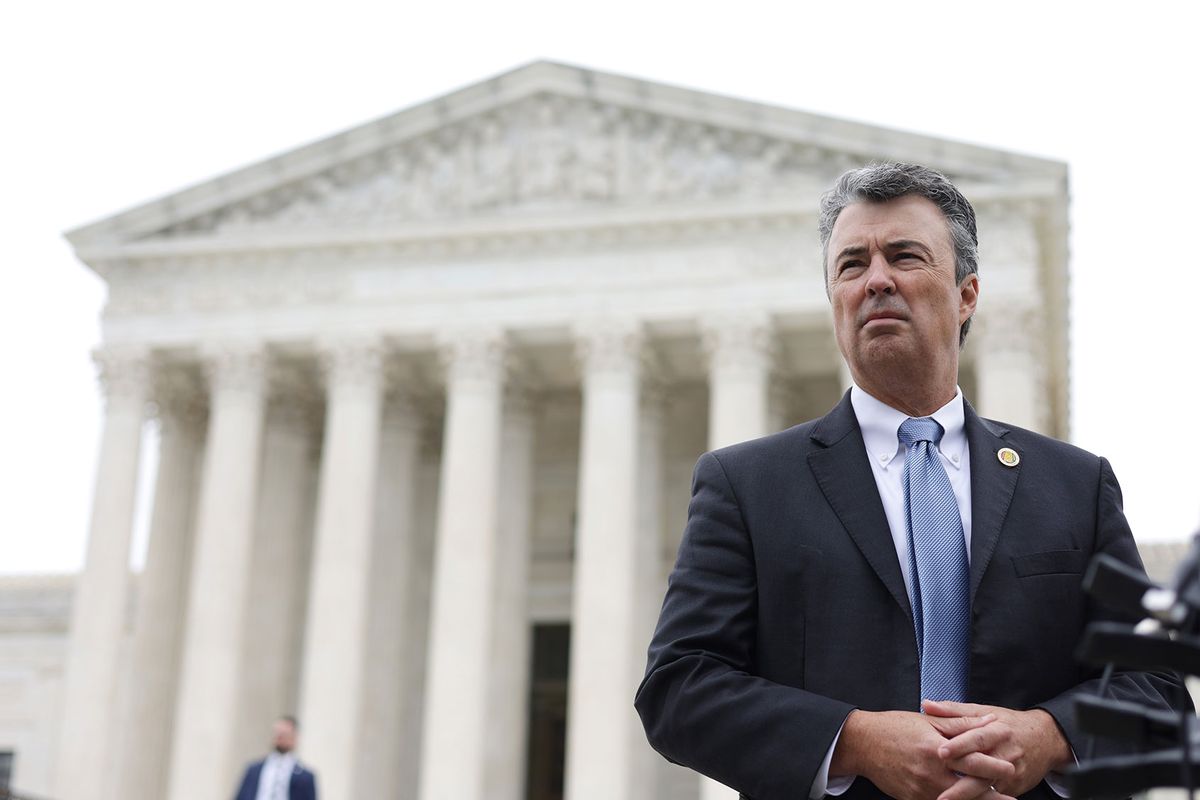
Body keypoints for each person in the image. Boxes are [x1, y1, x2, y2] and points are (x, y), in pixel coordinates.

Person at [634, 163, 1183, 800]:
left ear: (966, 294)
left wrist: (1046, 735)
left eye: (904, 255)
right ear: (834, 301)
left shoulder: (1073, 484)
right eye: (850, 265)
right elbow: (679, 687)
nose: (876, 281)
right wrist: (854, 739)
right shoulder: (747, 485)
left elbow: (1160, 686)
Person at [233, 715, 318, 800]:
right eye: (277, 733)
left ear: (294, 738)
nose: (279, 738)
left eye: (284, 734)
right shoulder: (254, 770)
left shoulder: (305, 777)